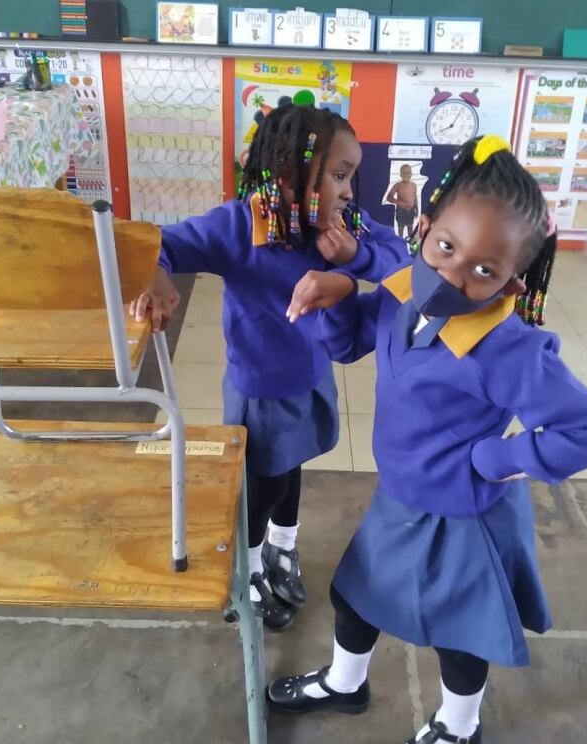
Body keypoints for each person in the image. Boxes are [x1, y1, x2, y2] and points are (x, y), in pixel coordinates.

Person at [269, 135, 587, 742]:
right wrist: (340, 298)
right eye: (446, 248)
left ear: (513, 283)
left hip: (462, 513)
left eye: (484, 271)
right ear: (425, 227)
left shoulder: (508, 349)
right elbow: (359, 340)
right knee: (356, 596)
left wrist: (503, 458)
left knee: (460, 634)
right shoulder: (408, 289)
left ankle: (459, 727)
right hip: (402, 494)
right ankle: (347, 683)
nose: (452, 277)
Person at [131, 104, 407, 631]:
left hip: (309, 376)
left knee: (291, 467)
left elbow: (408, 265)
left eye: (352, 177)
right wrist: (157, 277)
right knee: (262, 486)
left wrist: (355, 260)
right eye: (340, 176)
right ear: (286, 175)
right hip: (258, 391)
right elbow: (156, 243)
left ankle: (284, 548)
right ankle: (249, 569)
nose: (350, 191)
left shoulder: (343, 225)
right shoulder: (240, 225)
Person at [386, 163, 418, 239]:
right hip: (401, 211)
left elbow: (415, 197)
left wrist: (416, 209)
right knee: (401, 229)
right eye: (404, 173)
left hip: (411, 211)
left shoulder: (413, 185)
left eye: (408, 172)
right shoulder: (398, 185)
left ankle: (410, 244)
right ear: (400, 174)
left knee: (410, 228)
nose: (406, 174)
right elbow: (389, 197)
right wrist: (400, 203)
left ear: (411, 174)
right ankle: (400, 243)